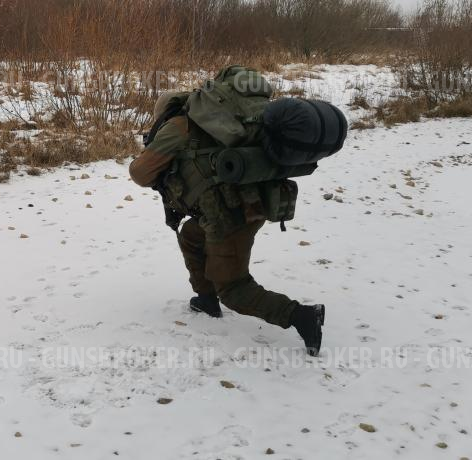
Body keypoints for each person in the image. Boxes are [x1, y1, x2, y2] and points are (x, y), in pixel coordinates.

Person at [129, 92, 326, 356]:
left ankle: (301, 316)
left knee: (233, 289)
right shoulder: (217, 120)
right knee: (191, 235)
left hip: (230, 217)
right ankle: (206, 299)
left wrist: (153, 153)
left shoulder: (178, 126)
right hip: (245, 203)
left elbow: (140, 173)